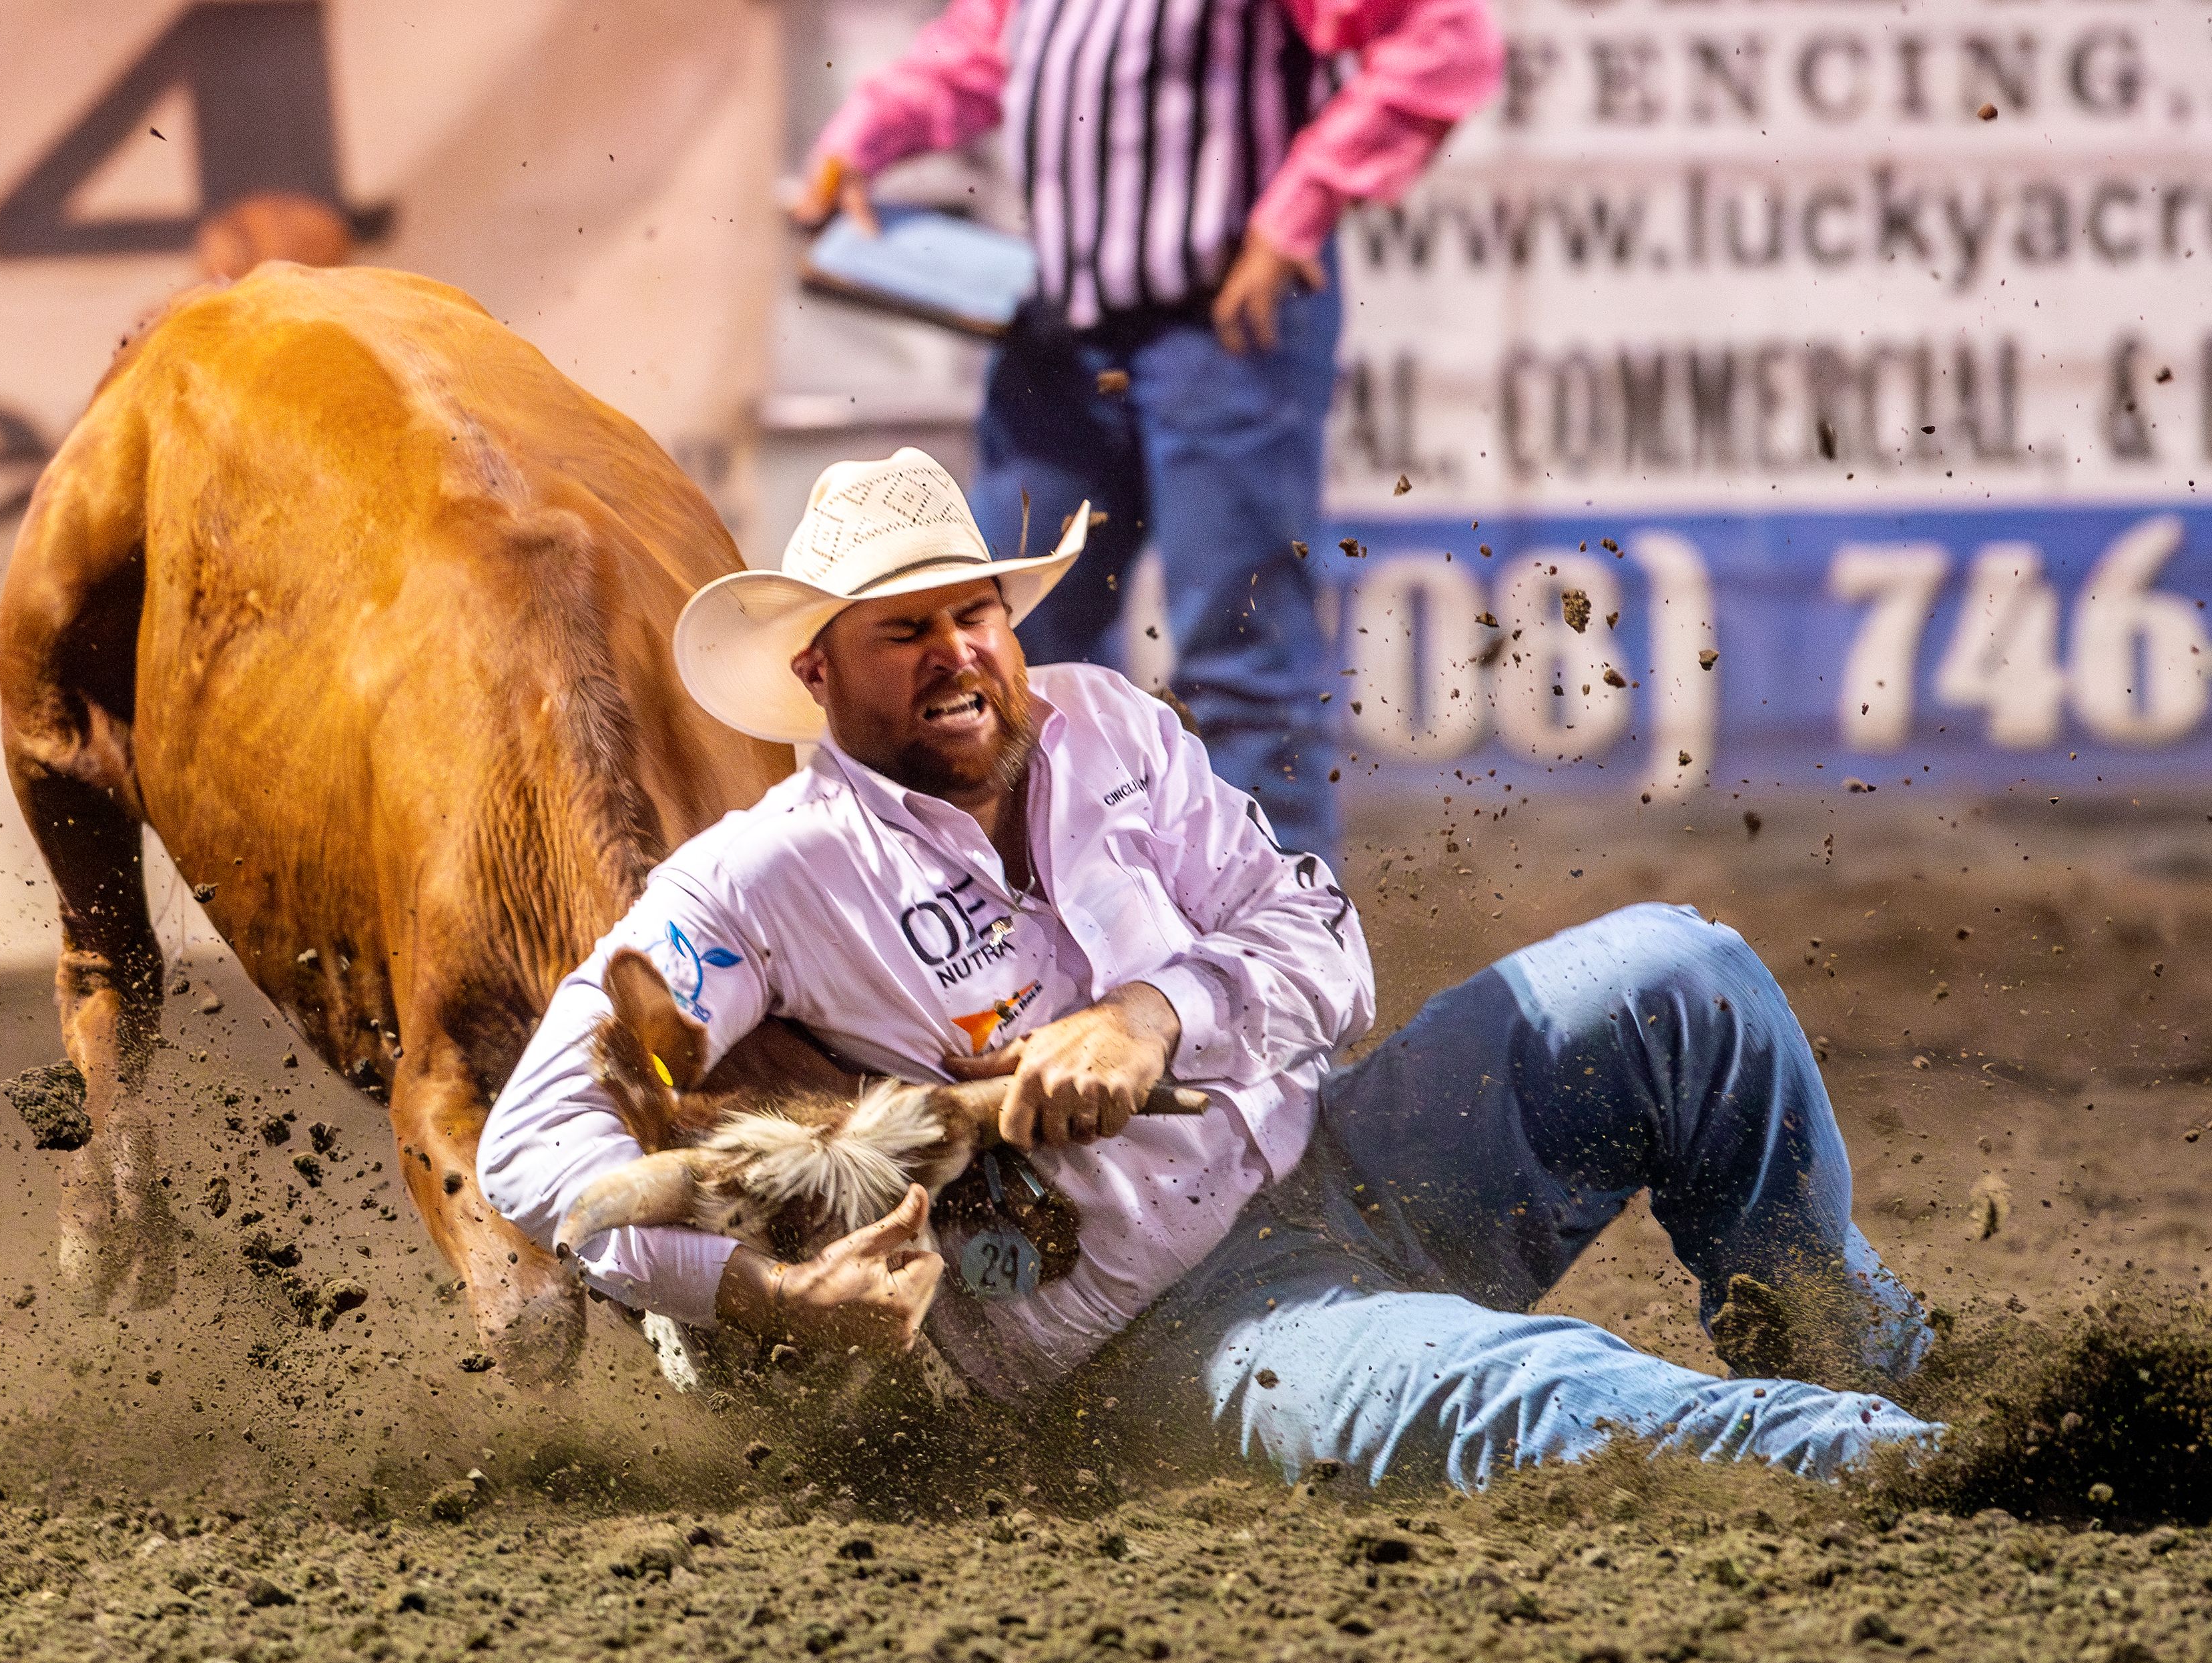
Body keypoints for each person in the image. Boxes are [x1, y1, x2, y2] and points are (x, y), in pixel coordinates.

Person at [479, 448, 1938, 1493]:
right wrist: (759, 1298)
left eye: (974, 612)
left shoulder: (1109, 725)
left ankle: (1868, 1354)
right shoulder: (760, 878)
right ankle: (1903, 1464)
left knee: (1685, 972)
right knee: (1523, 1386)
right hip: (1161, 1339)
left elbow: (1325, 951)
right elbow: (536, 1144)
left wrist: (1152, 1011)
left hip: (1349, 1157)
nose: (958, 654)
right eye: (903, 630)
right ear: (818, 671)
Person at [789, 0, 1504, 856]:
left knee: (1240, 660)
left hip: (1225, 326)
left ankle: (1289, 962)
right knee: (1011, 640)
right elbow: (986, 45)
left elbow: (1443, 37)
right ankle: (1037, 925)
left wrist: (1295, 214)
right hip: (1064, 334)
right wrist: (866, 131)